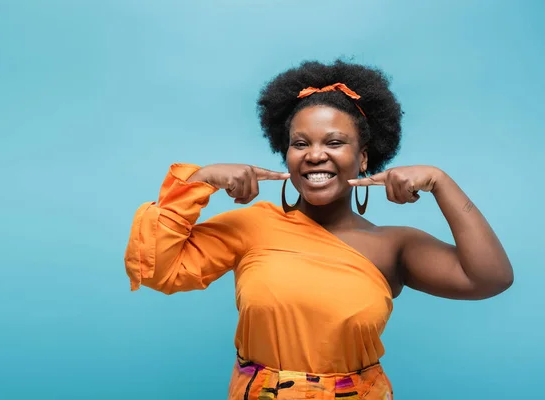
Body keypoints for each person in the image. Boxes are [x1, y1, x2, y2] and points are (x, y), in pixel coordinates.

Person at [123, 59, 514, 399]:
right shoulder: (252, 224)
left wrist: (441, 182)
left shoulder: (394, 245)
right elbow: (157, 268)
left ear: (363, 158)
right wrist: (201, 181)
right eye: (300, 143)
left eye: (334, 142)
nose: (314, 155)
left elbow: (489, 278)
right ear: (287, 155)